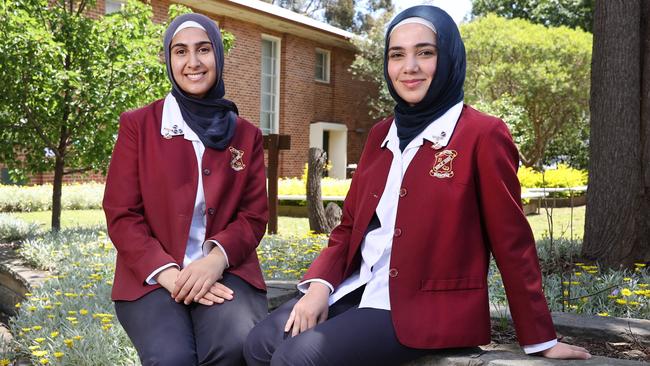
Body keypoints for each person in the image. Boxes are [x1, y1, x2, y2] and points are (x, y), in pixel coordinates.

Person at [244, 5, 591, 366]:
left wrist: (540, 339)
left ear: (450, 58)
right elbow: (349, 228)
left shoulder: (483, 135)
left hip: (428, 308)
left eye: (425, 52)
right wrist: (319, 286)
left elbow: (512, 242)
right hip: (359, 287)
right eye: (397, 55)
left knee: (298, 357)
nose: (409, 67)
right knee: (258, 344)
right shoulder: (381, 133)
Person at [102, 13, 268, 366]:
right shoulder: (139, 125)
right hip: (152, 274)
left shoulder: (246, 135)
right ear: (169, 59)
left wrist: (212, 262)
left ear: (218, 57)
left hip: (225, 268)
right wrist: (172, 275)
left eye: (203, 49)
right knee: (172, 357)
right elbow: (121, 213)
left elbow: (253, 217)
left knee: (234, 347)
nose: (193, 62)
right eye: (180, 51)